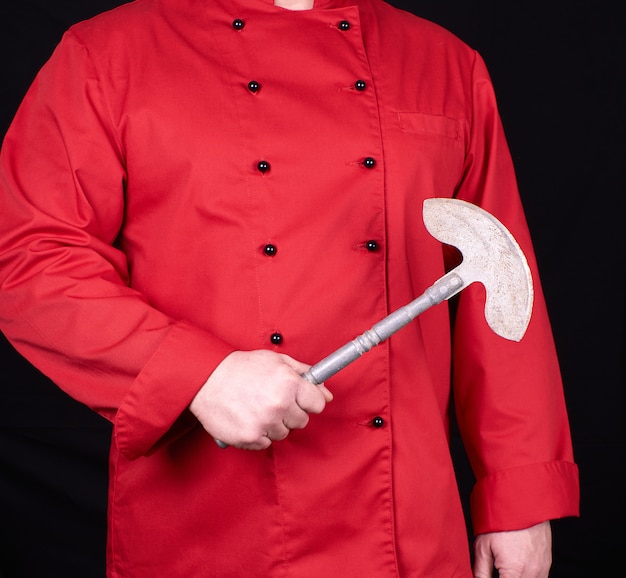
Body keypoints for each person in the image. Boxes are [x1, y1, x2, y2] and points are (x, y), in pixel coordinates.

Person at [0, 0, 579, 576]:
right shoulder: (109, 54)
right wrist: (196, 375)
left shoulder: (445, 62)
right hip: (209, 531)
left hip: (407, 529)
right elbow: (31, 256)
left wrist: (520, 500)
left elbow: (500, 289)